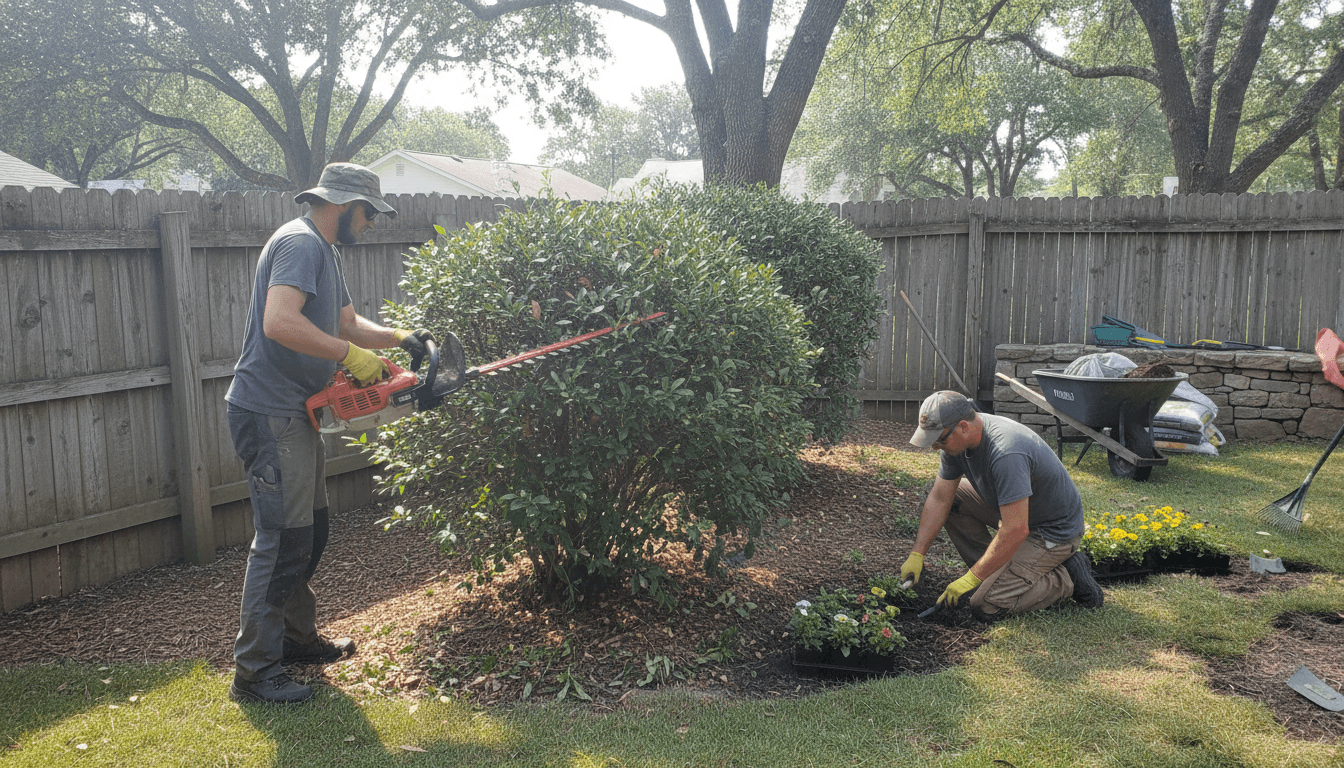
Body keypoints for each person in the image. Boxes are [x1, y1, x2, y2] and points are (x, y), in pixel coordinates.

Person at [224, 163, 433, 704]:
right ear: (342, 205)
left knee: (309, 533)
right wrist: (352, 357)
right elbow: (279, 322)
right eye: (369, 213)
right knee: (281, 542)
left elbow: (345, 324)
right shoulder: (300, 244)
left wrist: (402, 338)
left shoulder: (325, 250)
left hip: (296, 413)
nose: (370, 224)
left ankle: (295, 640)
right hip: (269, 414)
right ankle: (255, 670)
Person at [899, 391, 1102, 620]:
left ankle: (1064, 578)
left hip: (1051, 531)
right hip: (1016, 513)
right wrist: (917, 553)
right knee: (955, 498)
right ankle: (994, 573)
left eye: (940, 439)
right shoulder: (956, 444)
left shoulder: (1006, 451)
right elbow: (940, 498)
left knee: (986, 604)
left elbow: (1016, 529)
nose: (935, 446)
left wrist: (970, 578)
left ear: (964, 426)